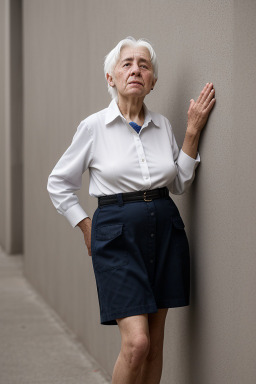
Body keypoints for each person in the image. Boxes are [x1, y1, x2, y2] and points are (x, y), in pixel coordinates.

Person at [47, 36, 215, 384]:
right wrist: (85, 224)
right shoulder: (93, 127)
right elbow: (58, 183)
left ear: (153, 81)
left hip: (166, 231)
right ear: (111, 78)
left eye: (144, 65)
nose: (136, 70)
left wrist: (193, 132)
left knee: (154, 345)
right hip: (116, 236)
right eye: (127, 64)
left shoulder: (163, 126)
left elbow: (179, 183)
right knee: (137, 343)